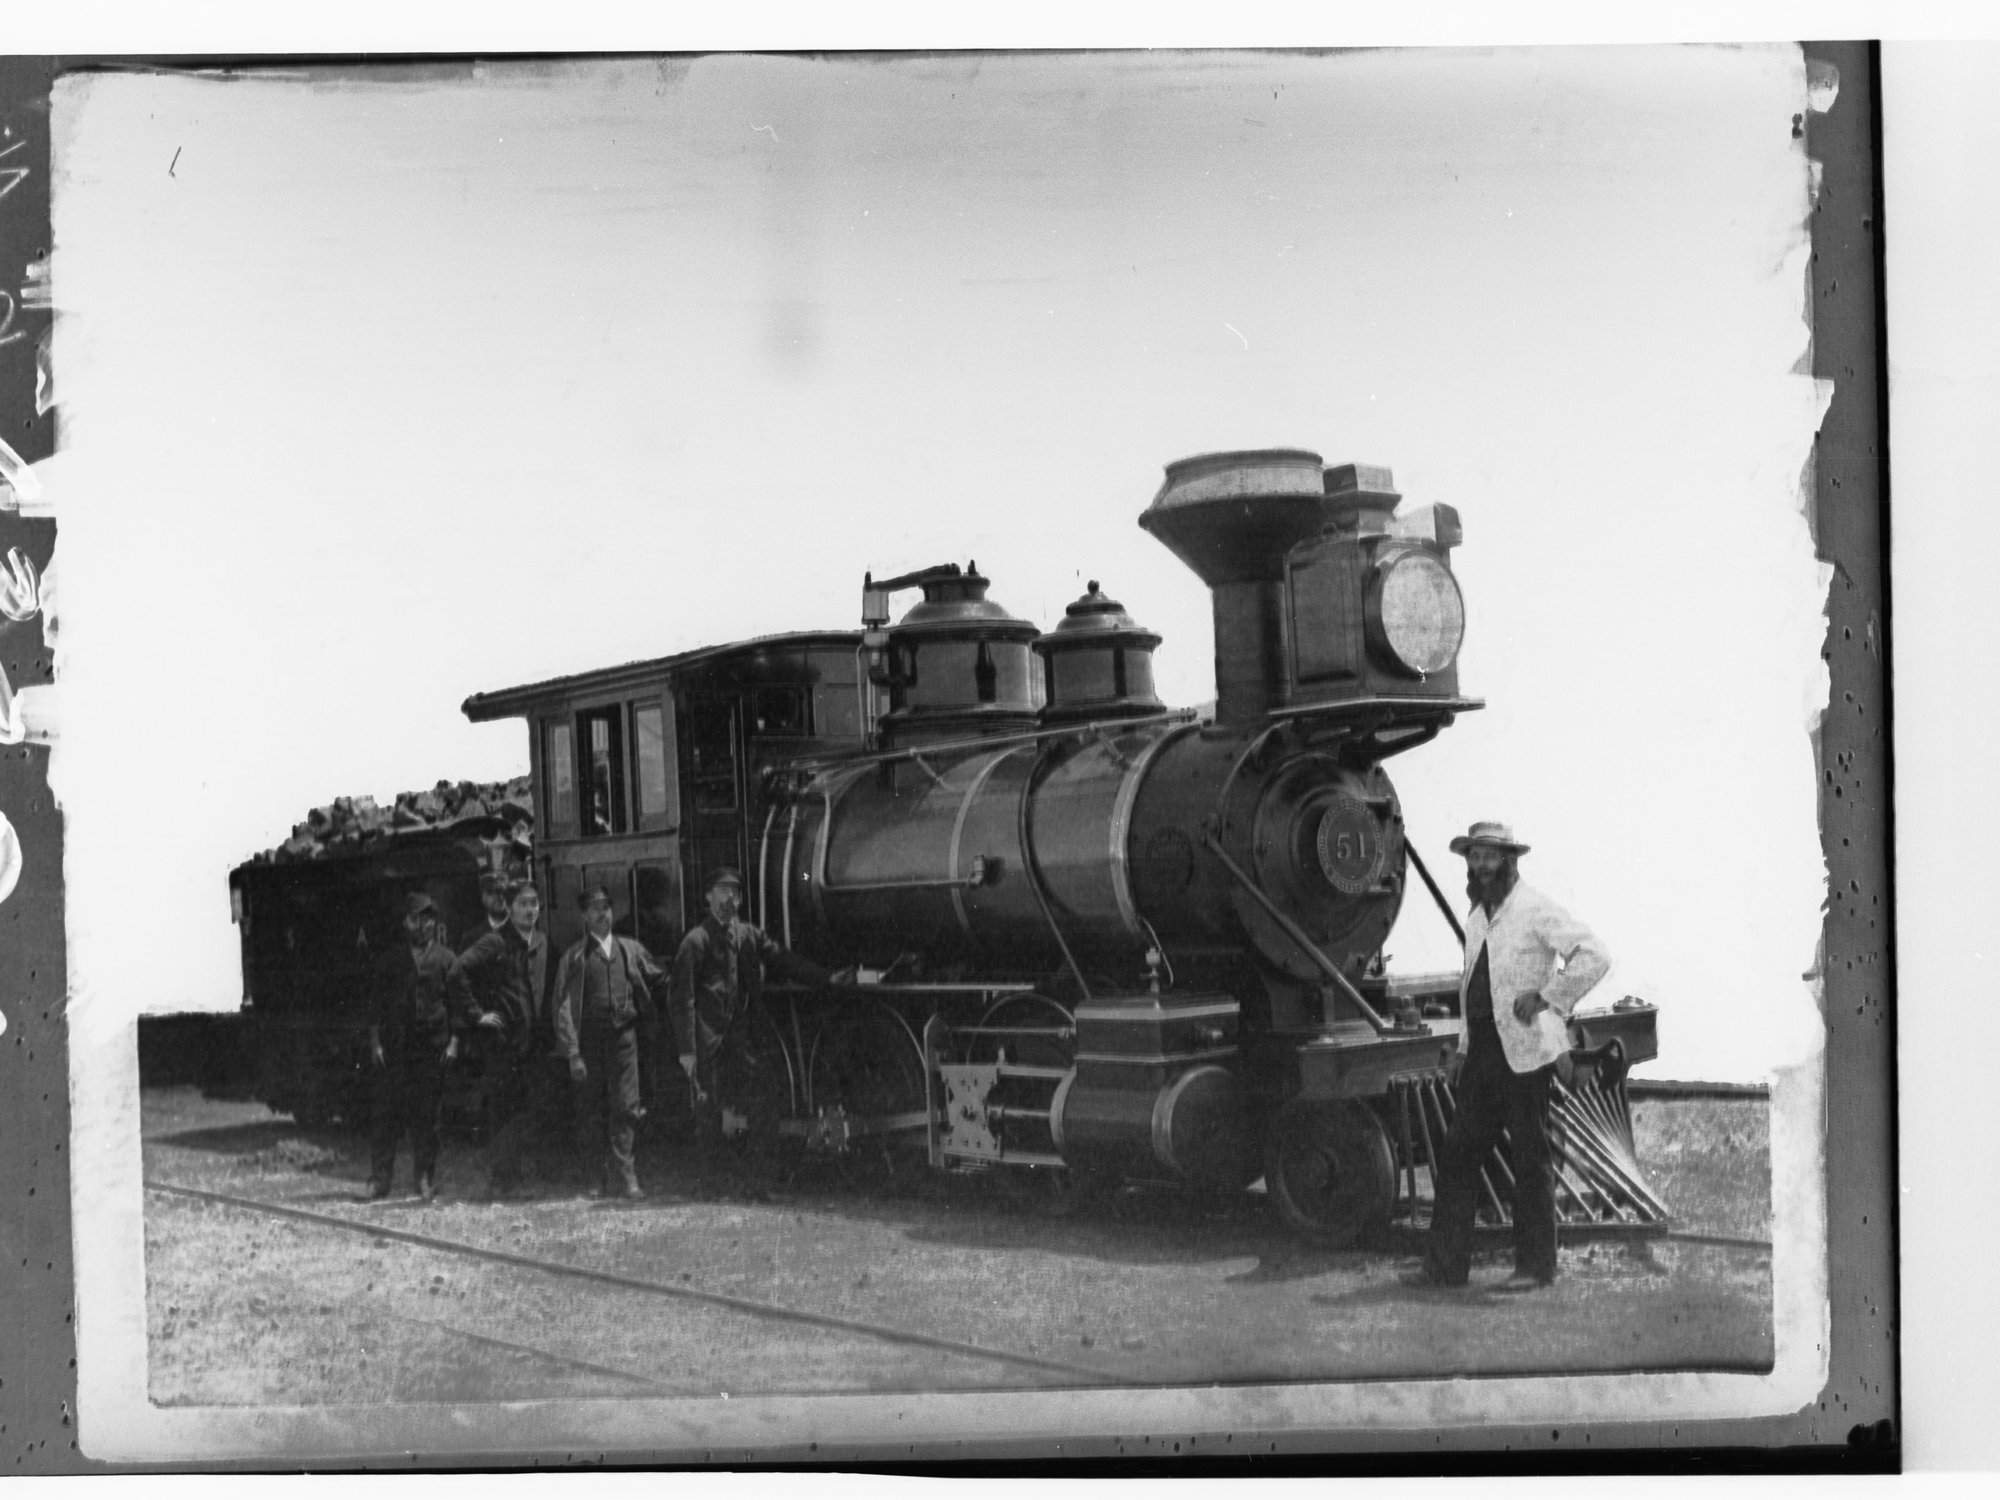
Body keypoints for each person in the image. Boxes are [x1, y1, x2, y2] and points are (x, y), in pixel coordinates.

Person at [1406, 820, 1612, 1293]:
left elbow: (1594, 954)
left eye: (1488, 856)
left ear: (1509, 860)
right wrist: (1461, 1047)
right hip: (1481, 1055)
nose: (1479, 866)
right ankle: (1444, 1269)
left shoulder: (1535, 908)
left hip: (1524, 1054)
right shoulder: (1478, 916)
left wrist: (1549, 996)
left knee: (1530, 1158)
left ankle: (1535, 1269)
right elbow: (1472, 988)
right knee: (1458, 1156)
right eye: (1473, 857)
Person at [668, 866, 849, 1145]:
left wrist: (826, 978)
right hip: (710, 1044)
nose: (730, 899)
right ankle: (711, 1186)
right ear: (708, 897)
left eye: (735, 893)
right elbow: (682, 1000)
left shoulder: (749, 935)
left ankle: (757, 1183)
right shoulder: (695, 942)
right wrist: (687, 1052)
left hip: (743, 1040)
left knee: (764, 1105)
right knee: (710, 1115)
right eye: (723, 892)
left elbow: (782, 958)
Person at [552, 886, 669, 1198]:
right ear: (584, 916)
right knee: (590, 1110)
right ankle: (595, 1179)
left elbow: (660, 978)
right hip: (589, 1043)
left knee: (626, 1106)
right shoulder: (574, 957)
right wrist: (573, 1053)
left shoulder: (630, 950)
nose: (602, 913)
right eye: (594, 908)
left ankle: (627, 1176)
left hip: (624, 1040)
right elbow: (562, 1007)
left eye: (606, 907)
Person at [449, 877, 558, 1194]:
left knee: (529, 1110)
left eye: (534, 903)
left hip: (532, 1046)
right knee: (505, 1111)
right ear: (509, 908)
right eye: (523, 904)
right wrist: (477, 1014)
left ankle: (518, 1176)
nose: (530, 910)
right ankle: (502, 1181)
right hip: (504, 1047)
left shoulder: (538, 943)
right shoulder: (496, 941)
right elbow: (458, 971)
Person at [367, 892, 464, 1201]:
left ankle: (424, 1179)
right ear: (405, 922)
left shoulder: (447, 959)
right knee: (386, 1116)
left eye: (429, 919)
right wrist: (375, 1042)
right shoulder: (390, 960)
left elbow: (458, 1006)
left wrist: (454, 1042)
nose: (424, 925)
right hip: (396, 1050)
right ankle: (380, 1180)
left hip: (431, 1051)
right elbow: (375, 1005)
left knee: (427, 1118)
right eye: (417, 919)